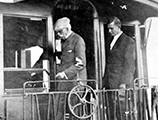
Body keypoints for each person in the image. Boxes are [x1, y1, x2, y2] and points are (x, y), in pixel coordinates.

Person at [102, 16, 136, 120]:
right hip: (110, 83)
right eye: (108, 28)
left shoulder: (128, 42)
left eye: (111, 28)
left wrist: (124, 83)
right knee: (111, 111)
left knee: (121, 112)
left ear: (118, 27)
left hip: (120, 84)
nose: (109, 31)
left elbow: (129, 64)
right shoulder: (110, 41)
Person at [54, 17, 87, 120]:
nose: (58, 34)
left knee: (74, 113)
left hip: (75, 83)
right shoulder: (62, 41)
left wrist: (64, 73)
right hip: (64, 83)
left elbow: (80, 64)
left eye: (60, 31)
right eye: (57, 32)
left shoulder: (77, 40)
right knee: (59, 111)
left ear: (67, 29)